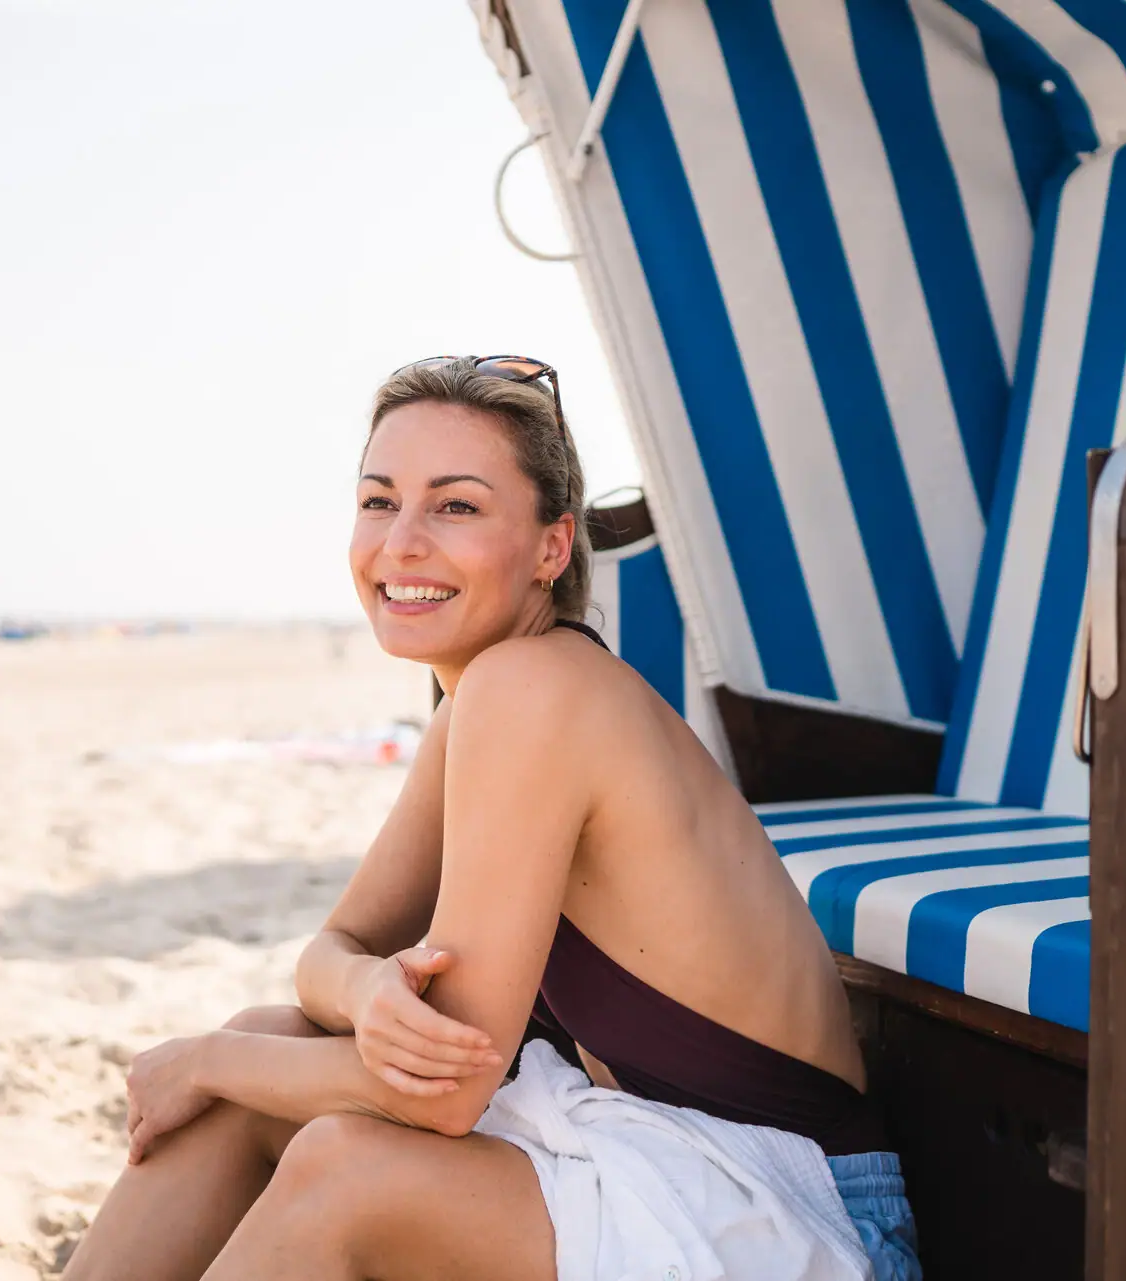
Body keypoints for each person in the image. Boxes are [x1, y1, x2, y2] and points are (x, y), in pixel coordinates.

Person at [63, 358, 919, 1281]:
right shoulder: (478, 697)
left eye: (456, 506)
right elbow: (332, 947)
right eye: (379, 501)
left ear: (552, 548)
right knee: (265, 1045)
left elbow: (445, 1093)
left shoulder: (534, 685)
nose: (402, 542)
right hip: (639, 1157)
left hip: (787, 1212)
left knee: (334, 1163)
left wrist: (201, 1060)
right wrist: (358, 994)